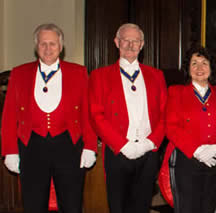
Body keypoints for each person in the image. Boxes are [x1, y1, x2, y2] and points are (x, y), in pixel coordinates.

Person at [1, 23, 97, 213]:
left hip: (69, 145)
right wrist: (9, 151)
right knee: (33, 204)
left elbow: (87, 113)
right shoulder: (20, 73)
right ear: (36, 46)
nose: (48, 48)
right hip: (31, 146)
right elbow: (9, 116)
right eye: (43, 44)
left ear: (61, 47)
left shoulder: (78, 73)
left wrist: (90, 147)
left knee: (71, 204)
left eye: (52, 44)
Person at [88, 23, 167, 213]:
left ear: (142, 45)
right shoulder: (100, 76)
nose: (131, 45)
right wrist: (122, 145)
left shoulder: (156, 75)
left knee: (141, 205)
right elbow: (96, 115)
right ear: (117, 42)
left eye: (136, 41)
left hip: (148, 152)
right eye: (126, 40)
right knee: (118, 206)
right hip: (118, 152)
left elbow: (166, 113)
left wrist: (150, 143)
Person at [159, 45, 216, 212]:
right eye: (194, 63)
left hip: (215, 160)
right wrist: (196, 151)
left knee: (209, 207)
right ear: (187, 68)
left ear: (211, 68)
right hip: (186, 160)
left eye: (204, 63)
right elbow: (171, 127)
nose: (199, 68)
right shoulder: (176, 92)